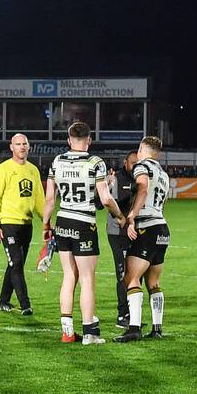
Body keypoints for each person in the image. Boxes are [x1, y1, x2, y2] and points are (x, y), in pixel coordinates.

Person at [43, 122, 125, 345]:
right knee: (87, 279)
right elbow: (106, 199)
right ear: (89, 140)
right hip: (83, 223)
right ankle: (89, 332)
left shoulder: (57, 161)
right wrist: (119, 216)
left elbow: (50, 199)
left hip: (63, 220)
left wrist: (45, 225)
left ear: (69, 140)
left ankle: (67, 332)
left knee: (69, 276)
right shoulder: (95, 162)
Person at [115, 136, 171, 343]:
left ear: (141, 149)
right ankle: (157, 328)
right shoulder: (164, 174)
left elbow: (144, 188)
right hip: (162, 228)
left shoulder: (141, 166)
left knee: (131, 278)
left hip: (147, 226)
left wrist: (131, 216)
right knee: (154, 282)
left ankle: (134, 328)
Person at [0, 132, 46, 315]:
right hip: (8, 224)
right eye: (18, 144)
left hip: (26, 225)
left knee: (14, 265)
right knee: (17, 264)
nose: (22, 147)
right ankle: (25, 305)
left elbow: (39, 200)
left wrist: (47, 221)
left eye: (24, 144)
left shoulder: (33, 170)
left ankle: (4, 301)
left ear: (29, 146)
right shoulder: (3, 169)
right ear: (11, 147)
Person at [106, 152, 137, 328]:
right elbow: (106, 203)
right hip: (117, 233)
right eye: (132, 163)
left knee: (134, 274)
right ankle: (122, 315)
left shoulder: (140, 179)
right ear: (125, 162)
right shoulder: (116, 179)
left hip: (133, 232)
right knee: (123, 274)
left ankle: (133, 314)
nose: (135, 166)